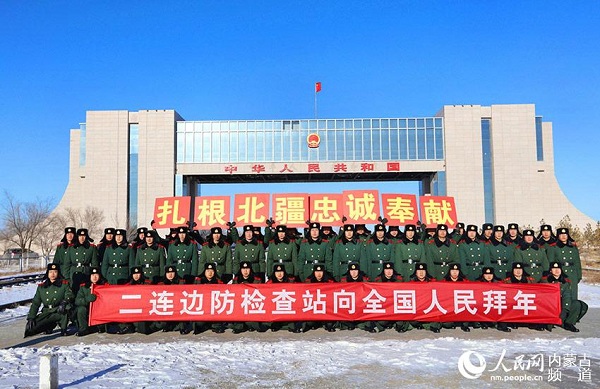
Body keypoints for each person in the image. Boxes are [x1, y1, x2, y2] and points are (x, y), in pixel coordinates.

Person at [25, 263, 73, 337]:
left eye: (55, 272)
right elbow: (35, 303)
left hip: (58, 311)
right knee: (30, 329)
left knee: (66, 308)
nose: (52, 274)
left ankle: (63, 329)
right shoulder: (42, 287)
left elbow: (69, 295)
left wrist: (64, 302)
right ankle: (49, 326)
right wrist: (31, 317)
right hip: (47, 312)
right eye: (50, 272)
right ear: (47, 273)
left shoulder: (64, 285)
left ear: (58, 273)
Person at [541, 261, 587, 332]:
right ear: (550, 270)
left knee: (579, 305)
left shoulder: (565, 282)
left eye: (558, 269)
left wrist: (565, 310)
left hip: (561, 305)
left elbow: (567, 296)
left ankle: (568, 322)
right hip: (550, 306)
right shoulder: (545, 281)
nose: (556, 270)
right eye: (554, 268)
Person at [231, 261, 267, 333]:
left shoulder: (257, 280)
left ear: (250, 269)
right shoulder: (236, 280)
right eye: (243, 269)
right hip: (240, 307)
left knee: (255, 324)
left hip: (253, 306)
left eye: (247, 269)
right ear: (240, 270)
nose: (245, 271)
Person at [548, 227, 582, 300]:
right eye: (561, 235)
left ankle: (573, 310)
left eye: (565, 234)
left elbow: (577, 262)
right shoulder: (553, 247)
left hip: (572, 274)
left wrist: (579, 275)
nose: (563, 236)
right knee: (561, 295)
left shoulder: (573, 247)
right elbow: (550, 263)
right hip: (560, 274)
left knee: (573, 293)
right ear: (558, 236)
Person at [339, 263, 375, 332]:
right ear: (349, 271)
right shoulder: (344, 280)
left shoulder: (364, 280)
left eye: (356, 270)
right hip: (349, 306)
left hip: (361, 305)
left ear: (358, 271)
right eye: (352, 271)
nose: (354, 272)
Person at [266, 264, 301, 333]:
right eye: (277, 272)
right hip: (275, 308)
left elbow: (298, 291)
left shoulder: (290, 281)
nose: (279, 274)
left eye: (281, 272)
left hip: (288, 307)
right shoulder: (270, 283)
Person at [374, 262, 408, 332]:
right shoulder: (378, 281)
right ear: (383, 271)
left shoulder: (399, 280)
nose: (389, 272)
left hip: (396, 307)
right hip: (384, 307)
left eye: (390, 270)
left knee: (400, 322)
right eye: (386, 270)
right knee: (382, 322)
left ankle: (395, 324)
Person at [64, 228, 99, 296]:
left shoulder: (91, 248)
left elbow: (95, 264)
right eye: (80, 236)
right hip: (74, 273)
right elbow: (67, 264)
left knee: (85, 293)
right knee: (74, 293)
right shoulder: (71, 248)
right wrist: (67, 278)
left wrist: (93, 277)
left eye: (84, 236)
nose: (82, 238)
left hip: (86, 273)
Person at [408, 263, 441, 333]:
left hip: (429, 308)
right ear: (416, 273)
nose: (421, 273)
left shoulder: (432, 283)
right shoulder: (411, 283)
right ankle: (425, 325)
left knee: (437, 318)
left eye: (423, 271)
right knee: (412, 320)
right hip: (417, 309)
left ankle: (424, 325)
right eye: (419, 271)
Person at [193, 263, 226, 334]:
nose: (210, 273)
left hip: (215, 308)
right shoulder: (198, 281)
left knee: (217, 325)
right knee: (199, 324)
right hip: (202, 308)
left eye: (212, 271)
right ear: (204, 271)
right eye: (208, 271)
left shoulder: (218, 282)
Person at [75, 267, 107, 336]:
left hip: (100, 311)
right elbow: (77, 301)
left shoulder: (104, 286)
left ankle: (101, 327)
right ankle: (83, 329)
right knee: (81, 309)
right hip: (88, 310)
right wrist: (87, 299)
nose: (94, 277)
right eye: (92, 275)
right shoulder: (84, 287)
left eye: (96, 275)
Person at [303, 264, 336, 332]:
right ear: (314, 272)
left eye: (321, 272)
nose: (319, 274)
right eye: (317, 272)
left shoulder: (329, 281)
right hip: (313, 307)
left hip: (326, 307)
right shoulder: (309, 281)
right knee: (310, 323)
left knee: (330, 323)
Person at [475, 266, 509, 332]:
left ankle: (501, 325)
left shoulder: (498, 283)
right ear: (483, 275)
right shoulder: (478, 283)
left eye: (490, 274)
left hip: (495, 302)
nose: (489, 276)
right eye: (486, 274)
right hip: (483, 303)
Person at [157, 265, 189, 334]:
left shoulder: (181, 281)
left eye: (172, 272)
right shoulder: (161, 283)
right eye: (168, 273)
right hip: (166, 305)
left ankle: (182, 327)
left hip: (178, 305)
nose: (170, 275)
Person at [442, 263, 470, 332]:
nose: (455, 273)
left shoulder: (464, 281)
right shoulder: (444, 281)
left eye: (457, 271)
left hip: (461, 305)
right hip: (449, 306)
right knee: (447, 324)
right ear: (449, 272)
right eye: (452, 271)